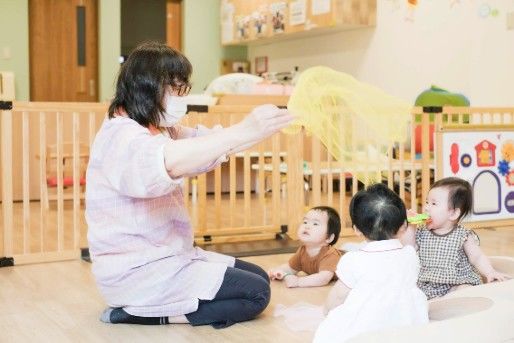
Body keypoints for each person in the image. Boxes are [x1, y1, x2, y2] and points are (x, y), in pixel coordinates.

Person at [85, 42, 294, 328]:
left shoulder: (160, 128)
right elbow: (167, 161)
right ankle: (142, 314)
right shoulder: (121, 135)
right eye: (175, 89)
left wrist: (266, 126)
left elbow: (208, 144)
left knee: (258, 276)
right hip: (138, 271)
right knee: (256, 294)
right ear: (147, 87)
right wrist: (244, 129)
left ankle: (151, 307)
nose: (181, 98)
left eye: (183, 89)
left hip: (171, 256)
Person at [314, 184, 428, 343]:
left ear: (357, 230)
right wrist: (410, 228)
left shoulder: (352, 260)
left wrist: (327, 311)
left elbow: (339, 296)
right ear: (403, 225)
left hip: (369, 326)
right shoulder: (410, 256)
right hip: (407, 323)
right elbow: (409, 244)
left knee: (329, 330)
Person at [402, 177, 510, 299]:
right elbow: (408, 247)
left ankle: (453, 303)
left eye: (433, 203)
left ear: (453, 213)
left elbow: (477, 257)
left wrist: (490, 272)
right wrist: (411, 226)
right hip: (428, 285)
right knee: (410, 294)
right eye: (427, 202)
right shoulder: (422, 232)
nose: (426, 208)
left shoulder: (463, 235)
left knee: (465, 291)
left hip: (457, 282)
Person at [268, 206, 342, 288]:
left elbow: (323, 278)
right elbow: (290, 268)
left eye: (315, 224)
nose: (307, 226)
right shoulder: (303, 251)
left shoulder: (330, 255)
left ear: (329, 238)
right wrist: (277, 271)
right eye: (305, 222)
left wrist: (298, 281)